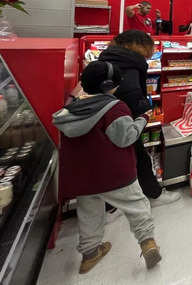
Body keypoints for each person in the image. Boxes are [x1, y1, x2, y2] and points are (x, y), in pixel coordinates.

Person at [52, 61, 161, 274]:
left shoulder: (69, 110)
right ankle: (148, 244)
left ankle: (90, 254)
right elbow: (125, 137)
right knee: (137, 207)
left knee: (89, 214)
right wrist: (142, 119)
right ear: (109, 85)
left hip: (82, 178)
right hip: (115, 174)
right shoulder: (114, 108)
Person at [100, 30, 180, 207]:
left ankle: (110, 205)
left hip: (104, 122)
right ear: (141, 47)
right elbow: (131, 96)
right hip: (123, 122)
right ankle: (153, 195)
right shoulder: (130, 65)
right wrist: (144, 108)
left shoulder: (108, 56)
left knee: (119, 161)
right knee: (139, 158)